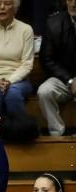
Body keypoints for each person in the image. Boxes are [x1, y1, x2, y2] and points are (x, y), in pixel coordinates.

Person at [36, 0, 76, 136]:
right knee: (44, 91)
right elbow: (46, 59)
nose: (74, 3)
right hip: (63, 78)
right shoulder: (54, 23)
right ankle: (57, 133)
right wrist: (70, 80)